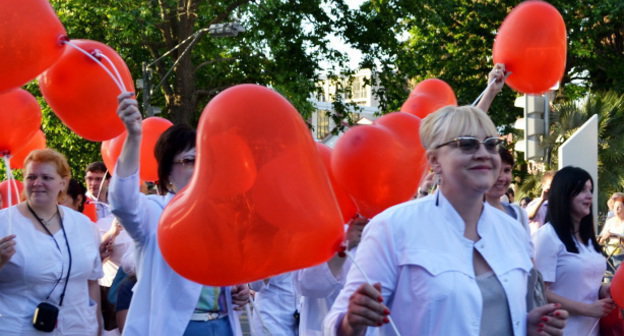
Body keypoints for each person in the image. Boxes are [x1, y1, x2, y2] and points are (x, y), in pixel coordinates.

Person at [323, 105, 567, 335]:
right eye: (467, 145)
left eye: (491, 145)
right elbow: (338, 323)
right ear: (434, 161)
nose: (483, 154)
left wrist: (529, 325)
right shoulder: (393, 227)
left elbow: (496, 316)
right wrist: (351, 322)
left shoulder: (513, 231)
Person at [109, 92, 249, 336]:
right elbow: (122, 202)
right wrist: (133, 136)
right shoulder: (155, 212)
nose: (198, 168)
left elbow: (229, 274)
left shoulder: (221, 216)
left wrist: (238, 289)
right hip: (179, 328)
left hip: (224, 325)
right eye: (188, 160)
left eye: (203, 160)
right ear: (167, 174)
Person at [0, 148, 103, 335]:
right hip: (19, 329)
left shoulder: (84, 225)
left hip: (78, 328)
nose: (37, 183)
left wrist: (98, 326)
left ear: (63, 183)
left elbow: (91, 282)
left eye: (46, 178)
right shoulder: (3, 223)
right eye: (31, 177)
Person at [533, 166, 615, 336]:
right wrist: (586, 309)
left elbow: (579, 281)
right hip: (561, 330)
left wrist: (601, 289)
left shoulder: (588, 239)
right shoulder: (547, 237)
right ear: (564, 194)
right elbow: (539, 292)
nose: (589, 196)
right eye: (582, 190)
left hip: (593, 330)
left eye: (590, 190)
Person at [295, 216, 367, 336]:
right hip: (323, 324)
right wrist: (344, 243)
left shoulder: (389, 222)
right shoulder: (319, 221)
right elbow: (309, 285)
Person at [485, 147, 529, 233]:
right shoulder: (469, 216)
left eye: (507, 170)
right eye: (495, 170)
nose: (501, 178)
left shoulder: (518, 214)